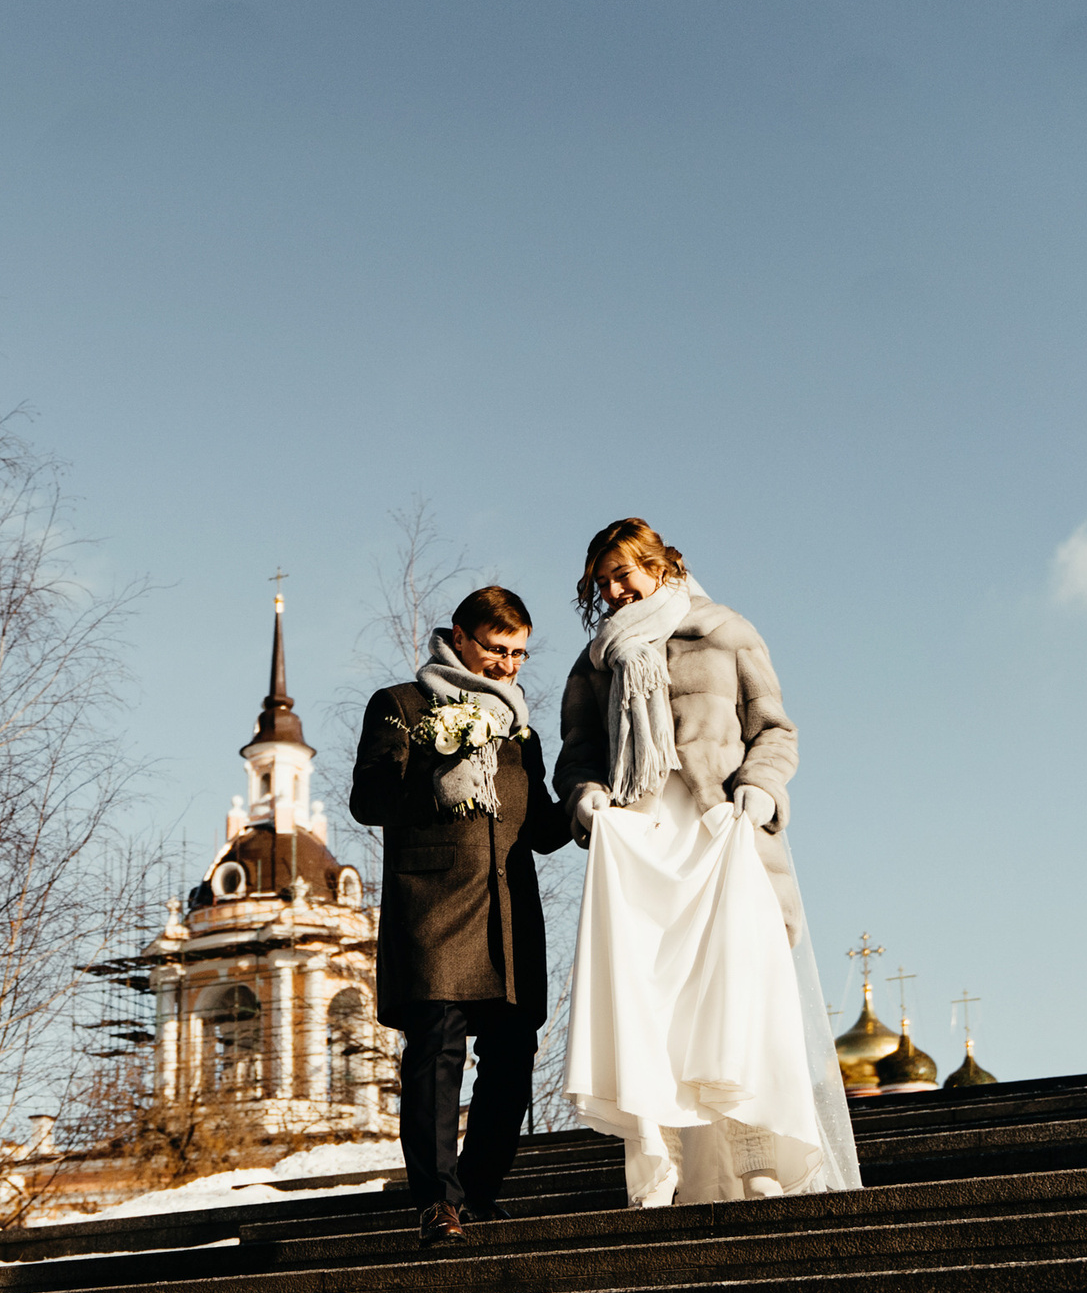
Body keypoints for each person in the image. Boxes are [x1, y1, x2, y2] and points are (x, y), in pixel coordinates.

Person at [551, 518, 858, 1207]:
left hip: (720, 831)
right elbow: (578, 755)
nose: (614, 590)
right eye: (602, 582)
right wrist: (587, 796)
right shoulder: (594, 661)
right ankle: (661, 1163)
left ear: (658, 566)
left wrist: (756, 791)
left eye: (624, 573)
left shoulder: (723, 630)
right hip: (645, 841)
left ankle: (757, 1154)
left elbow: (774, 729)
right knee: (653, 1008)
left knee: (736, 997)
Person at [350, 586, 567, 1246]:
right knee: (437, 1049)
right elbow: (367, 797)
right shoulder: (401, 705)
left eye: (520, 653)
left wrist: (595, 804)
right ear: (461, 638)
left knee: (513, 1052)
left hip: (508, 912)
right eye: (498, 649)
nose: (509, 664)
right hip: (436, 908)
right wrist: (432, 783)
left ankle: (477, 1192)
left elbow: (542, 824)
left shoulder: (519, 729)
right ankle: (435, 1201)